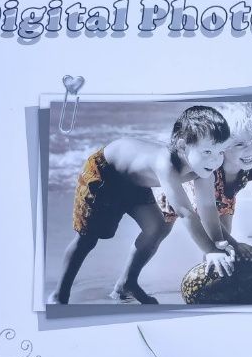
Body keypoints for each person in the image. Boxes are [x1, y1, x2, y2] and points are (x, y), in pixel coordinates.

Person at [51, 105, 234, 305]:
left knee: (156, 228)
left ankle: (126, 283)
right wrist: (209, 250)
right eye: (207, 151)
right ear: (182, 146)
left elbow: (207, 207)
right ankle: (59, 295)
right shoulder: (165, 163)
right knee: (87, 239)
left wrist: (218, 243)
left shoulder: (204, 168)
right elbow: (185, 212)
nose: (215, 160)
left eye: (221, 152)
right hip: (104, 172)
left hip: (135, 183)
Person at [112, 102, 252, 302]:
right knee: (157, 233)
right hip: (186, 198)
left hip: (223, 199)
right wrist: (235, 243)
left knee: (222, 243)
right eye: (240, 144)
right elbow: (205, 211)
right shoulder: (209, 168)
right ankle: (126, 281)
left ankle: (212, 284)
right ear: (222, 146)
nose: (250, 150)